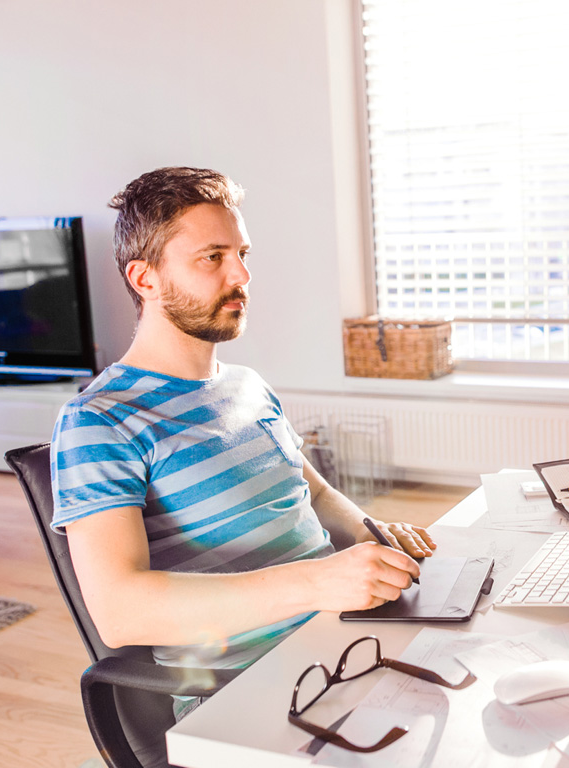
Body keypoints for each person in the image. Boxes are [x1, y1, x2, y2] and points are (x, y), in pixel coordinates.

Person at [49, 166, 433, 720]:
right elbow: (120, 611)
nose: (242, 276)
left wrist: (371, 535)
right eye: (213, 257)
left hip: (345, 638)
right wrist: (319, 582)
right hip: (252, 689)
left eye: (243, 254)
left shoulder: (248, 386)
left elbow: (315, 494)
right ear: (145, 279)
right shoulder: (98, 422)